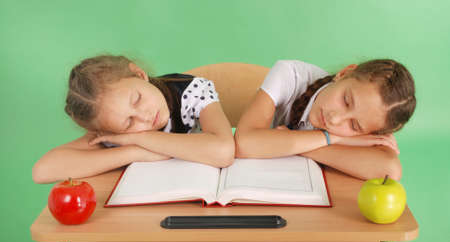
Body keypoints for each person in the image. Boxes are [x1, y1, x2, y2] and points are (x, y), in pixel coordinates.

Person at [33, 55, 235, 184]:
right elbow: (42, 171)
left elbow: (223, 151)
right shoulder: (116, 132)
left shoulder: (191, 91)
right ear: (114, 131)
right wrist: (132, 153)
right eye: (129, 123)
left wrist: (141, 139)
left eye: (138, 99)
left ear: (139, 74)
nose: (145, 117)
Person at [235, 59, 416, 180]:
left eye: (354, 125)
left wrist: (300, 147)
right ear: (344, 73)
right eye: (346, 101)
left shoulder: (372, 116)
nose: (335, 119)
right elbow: (244, 143)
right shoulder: (290, 75)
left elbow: (390, 170)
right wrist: (334, 139)